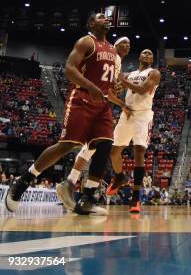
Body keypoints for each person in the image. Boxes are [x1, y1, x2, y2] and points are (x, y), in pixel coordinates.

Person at [6, 13, 126, 215]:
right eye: (100, 17)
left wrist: (116, 86)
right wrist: (92, 86)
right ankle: (23, 180)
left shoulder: (113, 51)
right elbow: (69, 69)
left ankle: (88, 196)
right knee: (68, 145)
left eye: (107, 17)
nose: (106, 19)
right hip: (82, 98)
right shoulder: (86, 42)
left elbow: (108, 80)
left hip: (103, 104)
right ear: (91, 23)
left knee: (105, 144)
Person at [56, 36, 132, 210]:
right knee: (86, 146)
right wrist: (122, 104)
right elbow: (107, 91)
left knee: (90, 148)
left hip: (98, 104)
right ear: (116, 45)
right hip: (90, 103)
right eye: (124, 43)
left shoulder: (116, 60)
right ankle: (72, 184)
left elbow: (110, 89)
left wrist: (119, 89)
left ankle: (75, 185)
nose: (127, 46)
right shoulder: (113, 56)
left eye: (129, 44)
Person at [106, 49, 160, 213]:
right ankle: (120, 176)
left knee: (138, 153)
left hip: (143, 115)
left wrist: (123, 79)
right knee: (114, 152)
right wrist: (119, 96)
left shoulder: (154, 73)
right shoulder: (130, 74)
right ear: (139, 56)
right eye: (144, 53)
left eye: (150, 54)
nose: (147, 55)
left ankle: (136, 198)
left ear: (152, 59)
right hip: (127, 113)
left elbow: (143, 89)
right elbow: (113, 92)